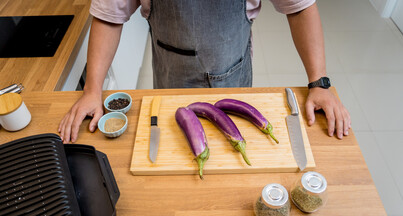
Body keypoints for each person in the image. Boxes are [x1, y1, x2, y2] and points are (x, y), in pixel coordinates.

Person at [58, 0, 351, 143]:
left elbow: (298, 7)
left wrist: (319, 83)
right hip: (171, 78)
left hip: (233, 75)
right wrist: (92, 90)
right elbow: (110, 17)